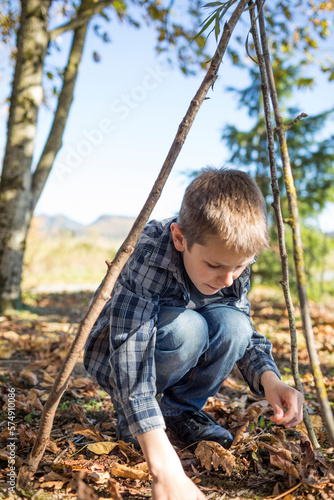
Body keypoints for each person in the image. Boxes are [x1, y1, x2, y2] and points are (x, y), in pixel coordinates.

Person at [84, 167, 304, 500]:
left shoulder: (229, 263)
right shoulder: (150, 255)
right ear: (180, 238)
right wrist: (164, 466)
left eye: (241, 267)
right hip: (118, 355)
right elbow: (130, 352)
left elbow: (243, 331)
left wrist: (271, 380)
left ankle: (180, 413)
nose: (228, 279)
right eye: (214, 266)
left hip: (177, 341)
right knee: (188, 327)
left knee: (234, 324)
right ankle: (138, 421)